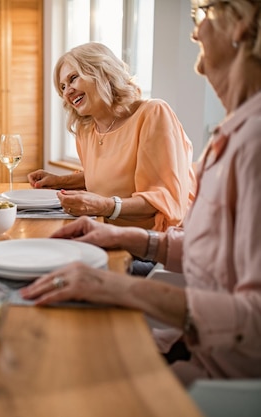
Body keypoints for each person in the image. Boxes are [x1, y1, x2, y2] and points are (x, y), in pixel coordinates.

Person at [21, 0, 261, 385]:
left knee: (56, 350)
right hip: (189, 323)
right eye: (61, 86)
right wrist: (122, 234)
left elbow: (251, 320)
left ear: (242, 23)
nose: (194, 35)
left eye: (201, 15)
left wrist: (117, 283)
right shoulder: (234, 132)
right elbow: (211, 253)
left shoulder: (249, 141)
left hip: (213, 374)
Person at [27, 42, 196, 233]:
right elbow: (107, 177)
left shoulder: (152, 113)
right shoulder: (86, 129)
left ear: (102, 72)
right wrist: (58, 181)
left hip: (152, 241)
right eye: (62, 87)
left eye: (73, 79)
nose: (67, 92)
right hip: (104, 231)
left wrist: (106, 206)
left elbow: (164, 199)